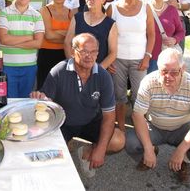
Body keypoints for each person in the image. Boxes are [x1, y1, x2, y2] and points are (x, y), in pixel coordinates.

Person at [31, 33, 125, 177]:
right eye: (84, 51)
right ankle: (65, 146)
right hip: (63, 123)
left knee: (118, 140)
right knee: (51, 157)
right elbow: (45, 103)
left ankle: (87, 151)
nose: (89, 56)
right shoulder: (59, 71)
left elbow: (109, 116)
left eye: (93, 52)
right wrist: (40, 98)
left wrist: (100, 149)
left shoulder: (103, 76)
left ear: (98, 53)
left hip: (90, 121)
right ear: (74, 51)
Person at [125, 48, 190, 184]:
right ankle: (151, 151)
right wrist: (147, 148)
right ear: (158, 68)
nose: (168, 77)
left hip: (183, 128)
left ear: (183, 68)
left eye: (174, 72)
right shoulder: (148, 82)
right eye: (164, 71)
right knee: (130, 141)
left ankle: (184, 162)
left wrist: (181, 151)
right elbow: (138, 115)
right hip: (155, 127)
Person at [106, 0, 155, 132]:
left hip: (139, 60)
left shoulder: (145, 7)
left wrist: (147, 56)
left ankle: (139, 128)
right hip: (117, 60)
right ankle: (121, 129)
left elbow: (151, 34)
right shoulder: (111, 8)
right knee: (119, 97)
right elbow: (105, 35)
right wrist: (109, 59)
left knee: (139, 96)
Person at [0, 0, 44, 98]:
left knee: (25, 102)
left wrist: (12, 42)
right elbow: (3, 39)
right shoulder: (4, 13)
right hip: (7, 66)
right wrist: (29, 37)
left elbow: (38, 43)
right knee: (8, 101)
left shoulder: (37, 15)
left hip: (29, 66)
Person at [64, 0, 117, 73]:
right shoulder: (77, 18)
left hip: (99, 72)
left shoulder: (110, 24)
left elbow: (113, 53)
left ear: (103, 0)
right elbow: (67, 43)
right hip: (77, 70)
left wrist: (98, 70)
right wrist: (74, 66)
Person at [37, 0, 73, 89]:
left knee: (63, 88)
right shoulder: (44, 10)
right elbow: (48, 35)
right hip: (47, 54)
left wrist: (56, 32)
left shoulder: (70, 12)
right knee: (45, 88)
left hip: (65, 54)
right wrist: (67, 35)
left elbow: (74, 37)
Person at [147, 0, 185, 73]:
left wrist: (175, 39)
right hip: (148, 56)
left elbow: (181, 31)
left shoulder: (172, 10)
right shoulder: (144, 8)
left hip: (167, 58)